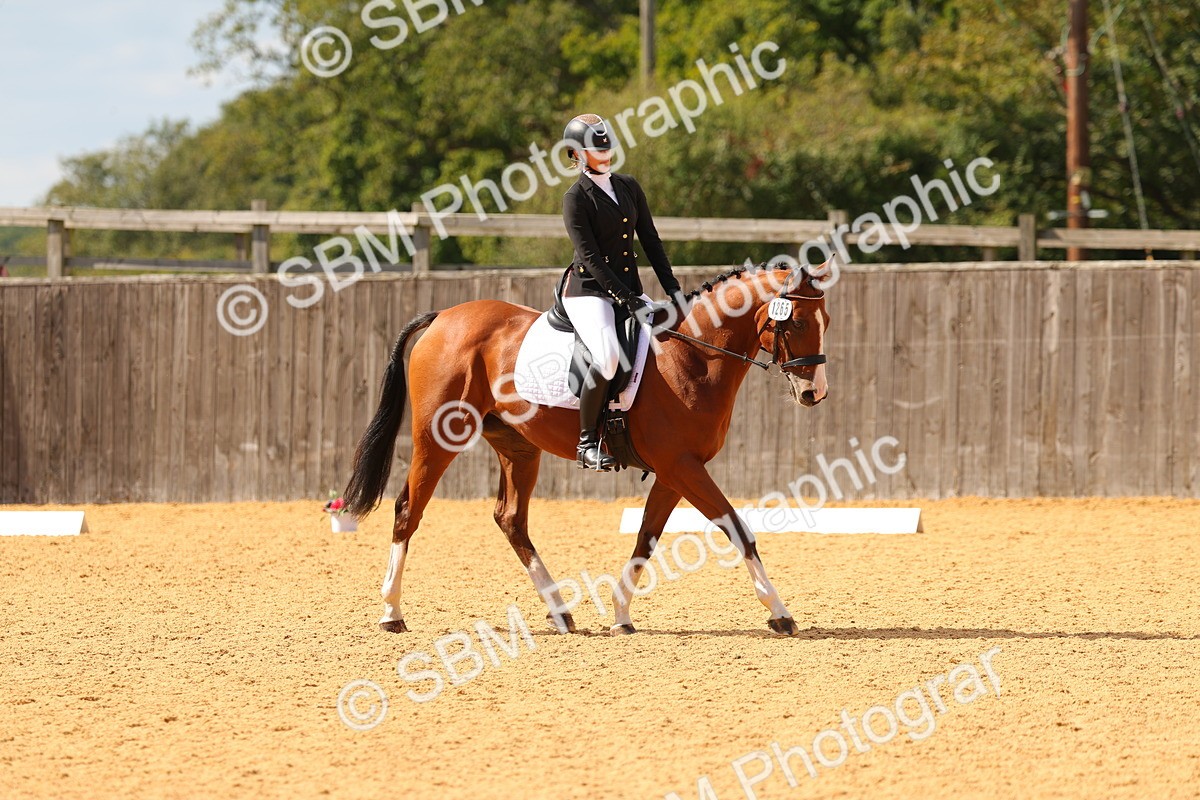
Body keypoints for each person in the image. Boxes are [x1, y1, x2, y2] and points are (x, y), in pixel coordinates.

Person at [560, 113, 683, 471]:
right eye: (596, 149)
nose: (605, 153)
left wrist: (673, 289)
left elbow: (651, 241)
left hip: (629, 291)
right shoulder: (576, 198)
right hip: (590, 293)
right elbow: (591, 258)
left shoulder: (628, 186)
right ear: (576, 155)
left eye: (607, 146)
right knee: (609, 357)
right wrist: (626, 299)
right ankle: (586, 443)